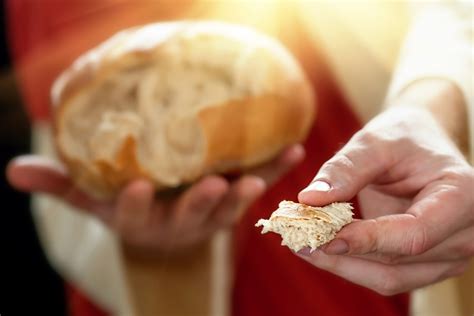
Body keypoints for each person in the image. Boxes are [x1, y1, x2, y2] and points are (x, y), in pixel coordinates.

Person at [5, 1, 473, 315]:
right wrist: (147, 250)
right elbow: (59, 111)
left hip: (390, 162)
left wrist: (433, 103)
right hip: (237, 283)